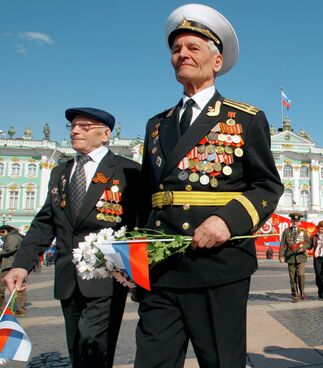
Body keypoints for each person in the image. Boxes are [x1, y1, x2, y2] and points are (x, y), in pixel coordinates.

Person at [135, 4, 283, 367]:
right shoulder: (157, 125)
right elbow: (145, 198)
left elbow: (266, 185)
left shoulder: (244, 118)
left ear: (216, 62)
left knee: (221, 360)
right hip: (162, 266)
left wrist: (227, 221)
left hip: (217, 265)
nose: (182, 54)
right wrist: (134, 256)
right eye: (176, 49)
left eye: (193, 47)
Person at [2, 107, 140, 368]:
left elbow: (139, 223)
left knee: (94, 345)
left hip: (106, 278)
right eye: (73, 126)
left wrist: (139, 274)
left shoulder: (127, 171)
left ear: (106, 134)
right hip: (68, 277)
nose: (76, 131)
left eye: (85, 126)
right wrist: (21, 264)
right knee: (76, 345)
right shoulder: (61, 172)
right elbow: (45, 223)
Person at [279, 212, 312, 302]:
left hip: (301, 257)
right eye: (294, 220)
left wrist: (303, 248)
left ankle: (302, 292)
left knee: (301, 275)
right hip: (290, 257)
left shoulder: (303, 231)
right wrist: (281, 256)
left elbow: (308, 243)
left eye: (297, 221)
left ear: (299, 222)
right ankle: (295, 296)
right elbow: (282, 244)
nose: (295, 222)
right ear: (291, 221)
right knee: (292, 277)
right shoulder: (286, 232)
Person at [0, 225, 27, 315]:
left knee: (1, 288)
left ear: (5, 231)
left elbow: (10, 249)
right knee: (19, 287)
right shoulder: (19, 236)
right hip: (18, 265)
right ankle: (20, 309)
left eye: (1, 233)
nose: (1, 236)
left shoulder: (11, 237)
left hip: (9, 266)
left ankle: (2, 309)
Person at [311, 220, 323, 300]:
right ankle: (320, 289)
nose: (322, 228)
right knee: (318, 276)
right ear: (318, 227)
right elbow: (309, 245)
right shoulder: (314, 236)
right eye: (321, 227)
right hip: (317, 258)